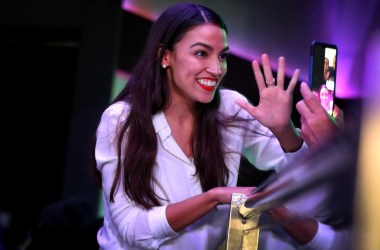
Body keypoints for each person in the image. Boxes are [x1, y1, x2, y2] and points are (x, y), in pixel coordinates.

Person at [91, 2, 340, 249]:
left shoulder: (231, 107)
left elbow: (311, 184)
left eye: (222, 56)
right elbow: (130, 229)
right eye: (201, 53)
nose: (216, 68)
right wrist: (213, 197)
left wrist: (284, 131)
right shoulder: (121, 119)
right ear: (164, 55)